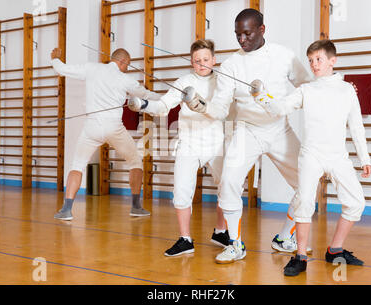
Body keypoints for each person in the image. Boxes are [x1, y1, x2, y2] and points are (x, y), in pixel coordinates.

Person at [185, 8, 313, 263]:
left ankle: (285, 238)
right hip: (247, 130)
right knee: (229, 181)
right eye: (237, 35)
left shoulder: (283, 56)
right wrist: (201, 105)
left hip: (279, 128)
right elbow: (221, 108)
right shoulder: (231, 65)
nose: (242, 39)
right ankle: (235, 243)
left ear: (262, 30)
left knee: (307, 182)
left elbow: (307, 86)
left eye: (247, 33)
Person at [255, 39, 371, 276]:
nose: (314, 65)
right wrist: (262, 96)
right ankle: (300, 256)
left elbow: (357, 127)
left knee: (357, 202)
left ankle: (335, 249)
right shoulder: (306, 90)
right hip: (311, 154)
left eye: (318, 59)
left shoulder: (348, 90)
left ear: (332, 60)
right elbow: (280, 108)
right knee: (304, 202)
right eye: (310, 61)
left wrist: (365, 158)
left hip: (338, 155)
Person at [128, 39, 229, 256]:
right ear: (191, 62)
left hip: (216, 142)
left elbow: (224, 108)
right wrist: (143, 104)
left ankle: (221, 232)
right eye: (197, 61)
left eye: (205, 59)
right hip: (189, 142)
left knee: (227, 188)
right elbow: (164, 106)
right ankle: (185, 239)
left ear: (214, 59)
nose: (201, 64)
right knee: (182, 190)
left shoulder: (223, 81)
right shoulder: (184, 81)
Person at [51, 47, 160, 220]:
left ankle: (66, 209)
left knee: (77, 165)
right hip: (114, 127)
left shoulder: (91, 68)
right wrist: (170, 98)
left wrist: (55, 59)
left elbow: (62, 69)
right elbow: (147, 95)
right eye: (128, 65)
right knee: (135, 161)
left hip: (91, 127)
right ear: (122, 61)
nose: (128, 68)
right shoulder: (125, 79)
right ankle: (136, 206)